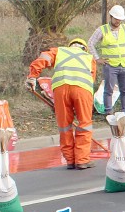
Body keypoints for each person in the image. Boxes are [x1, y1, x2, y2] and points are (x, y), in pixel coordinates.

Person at [25, 38, 96, 170]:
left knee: (64, 126)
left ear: (70, 46)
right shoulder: (89, 58)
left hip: (60, 90)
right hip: (82, 90)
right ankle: (82, 160)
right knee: (85, 124)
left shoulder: (59, 51)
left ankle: (70, 160)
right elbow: (90, 80)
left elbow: (42, 59)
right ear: (84, 48)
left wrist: (32, 76)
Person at [88, 5, 125, 123]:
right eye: (116, 19)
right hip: (110, 66)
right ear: (111, 17)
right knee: (109, 90)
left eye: (120, 19)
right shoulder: (102, 30)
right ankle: (108, 114)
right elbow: (90, 43)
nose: (118, 21)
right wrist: (97, 59)